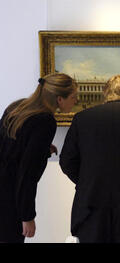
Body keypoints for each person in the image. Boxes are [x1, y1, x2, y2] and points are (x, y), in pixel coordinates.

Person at [59, 75, 120, 243]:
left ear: (106, 94)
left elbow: (67, 161)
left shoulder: (82, 118)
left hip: (90, 207)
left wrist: (86, 182)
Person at [0, 73, 78, 243]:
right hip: (9, 201)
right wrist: (27, 216)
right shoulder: (45, 121)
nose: (76, 101)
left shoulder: (17, 107)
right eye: (73, 97)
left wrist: (42, 149)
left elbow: (11, 149)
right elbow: (27, 173)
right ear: (59, 99)